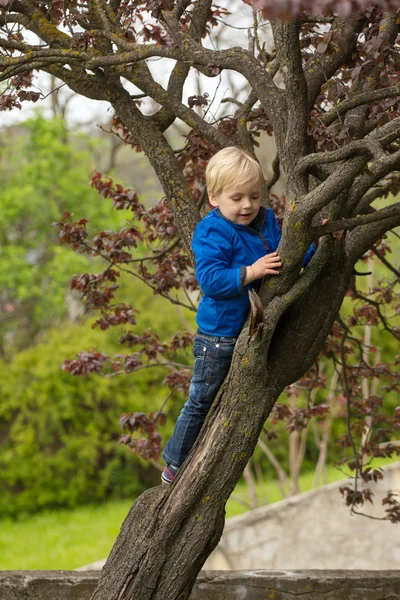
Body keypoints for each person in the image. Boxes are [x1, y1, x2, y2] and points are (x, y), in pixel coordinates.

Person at [161, 147, 316, 484]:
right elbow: (212, 281)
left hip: (254, 329)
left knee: (238, 398)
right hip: (218, 336)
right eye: (237, 198)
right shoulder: (212, 231)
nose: (247, 205)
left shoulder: (266, 221)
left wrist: (318, 246)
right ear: (214, 198)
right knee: (202, 400)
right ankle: (174, 463)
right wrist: (252, 271)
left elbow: (286, 254)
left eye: (254, 196)